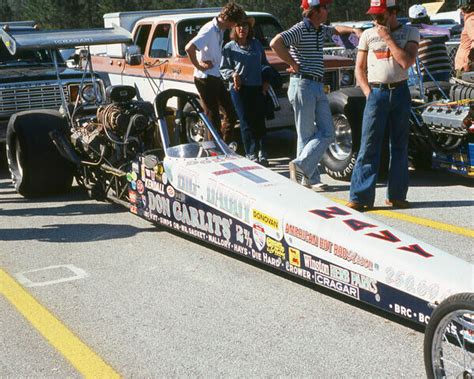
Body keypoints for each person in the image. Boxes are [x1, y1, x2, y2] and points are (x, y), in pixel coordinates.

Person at [270, 0, 362, 191]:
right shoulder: (301, 28)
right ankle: (308, 177)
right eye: (325, 7)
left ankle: (303, 169)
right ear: (315, 11)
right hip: (303, 83)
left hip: (315, 85)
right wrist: (293, 63)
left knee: (325, 133)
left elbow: (336, 29)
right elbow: (275, 43)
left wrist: (354, 31)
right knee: (309, 134)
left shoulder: (320, 29)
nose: (327, 10)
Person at [346, 0, 420, 212]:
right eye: (374, 15)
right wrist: (368, 93)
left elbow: (406, 62)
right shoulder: (368, 35)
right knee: (369, 144)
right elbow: (359, 69)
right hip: (376, 92)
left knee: (399, 145)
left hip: (400, 91)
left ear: (393, 13)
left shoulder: (410, 32)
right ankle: (360, 197)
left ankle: (396, 196)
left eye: (381, 15)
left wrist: (387, 37)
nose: (376, 20)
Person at [185, 2, 246, 144]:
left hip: (215, 76)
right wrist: (199, 65)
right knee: (213, 118)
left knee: (231, 114)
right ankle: (214, 153)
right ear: (229, 20)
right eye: (234, 23)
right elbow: (189, 48)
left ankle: (222, 147)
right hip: (205, 78)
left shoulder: (220, 29)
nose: (234, 26)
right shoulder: (209, 30)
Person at [220, 16, 271, 166]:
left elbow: (265, 64)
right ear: (234, 29)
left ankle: (263, 153)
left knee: (259, 120)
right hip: (239, 89)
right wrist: (233, 74)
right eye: (239, 26)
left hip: (257, 87)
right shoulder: (229, 47)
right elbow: (223, 69)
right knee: (246, 121)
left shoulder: (256, 45)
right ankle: (251, 153)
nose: (242, 29)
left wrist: (266, 81)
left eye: (245, 26)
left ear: (250, 29)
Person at [408, 4, 451, 83]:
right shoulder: (437, 30)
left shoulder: (412, 32)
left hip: (426, 71)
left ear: (411, 19)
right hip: (444, 69)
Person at [455, 0, 474, 76]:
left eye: (461, 8)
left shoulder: (471, 20)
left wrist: (469, 63)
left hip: (466, 68)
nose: (461, 11)